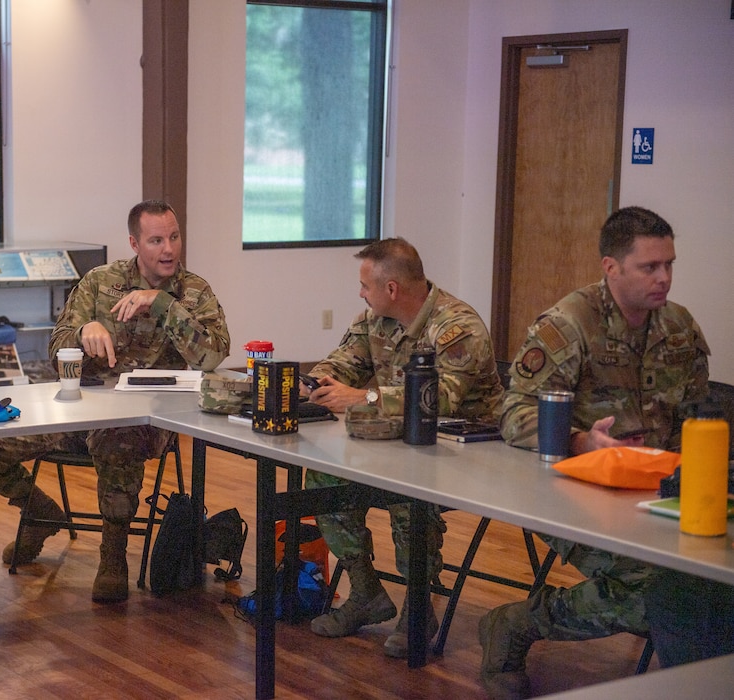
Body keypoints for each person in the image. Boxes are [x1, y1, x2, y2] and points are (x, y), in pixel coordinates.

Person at [480, 206, 710, 700]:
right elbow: (513, 413)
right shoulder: (570, 324)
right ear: (611, 267)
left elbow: (698, 419)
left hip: (657, 493)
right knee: (656, 593)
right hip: (569, 493)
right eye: (650, 267)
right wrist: (580, 440)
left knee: (713, 580)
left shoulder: (679, 327)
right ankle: (519, 623)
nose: (664, 278)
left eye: (669, 264)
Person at [0, 199, 230, 603]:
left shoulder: (194, 292)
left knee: (115, 437)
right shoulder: (101, 282)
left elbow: (213, 355)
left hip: (147, 424)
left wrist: (164, 304)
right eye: (156, 240)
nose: (169, 249)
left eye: (174, 237)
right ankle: (40, 512)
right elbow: (56, 346)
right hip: (81, 412)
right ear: (135, 243)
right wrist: (83, 332)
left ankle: (113, 553)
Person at [303, 237, 503, 658]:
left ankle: (419, 603)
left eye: (365, 285)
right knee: (321, 475)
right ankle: (365, 592)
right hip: (399, 443)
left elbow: (441, 399)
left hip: (469, 454)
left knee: (405, 490)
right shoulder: (375, 320)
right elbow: (341, 361)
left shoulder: (456, 327)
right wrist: (317, 383)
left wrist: (364, 398)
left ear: (391, 289)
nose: (360, 293)